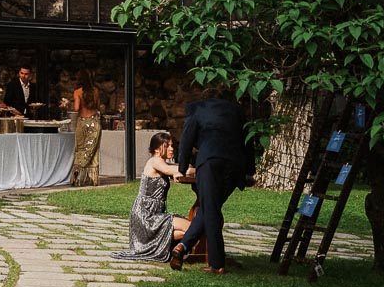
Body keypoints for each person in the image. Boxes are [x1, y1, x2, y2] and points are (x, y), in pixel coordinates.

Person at [169, 88, 254, 273]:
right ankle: (183, 247)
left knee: (210, 208)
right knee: (210, 208)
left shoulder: (197, 109)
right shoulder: (237, 111)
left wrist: (182, 168)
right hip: (235, 164)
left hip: (209, 161)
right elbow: (248, 139)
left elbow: (186, 139)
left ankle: (216, 264)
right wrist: (249, 171)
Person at [113, 133, 191, 261]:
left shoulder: (162, 163)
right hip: (146, 215)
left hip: (155, 214)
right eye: (167, 146)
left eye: (172, 146)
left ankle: (159, 244)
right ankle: (155, 244)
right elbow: (170, 169)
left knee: (191, 229)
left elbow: (178, 169)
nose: (172, 149)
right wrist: (180, 171)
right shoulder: (155, 161)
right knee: (190, 228)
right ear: (156, 149)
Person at [69, 76, 104, 186]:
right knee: (92, 150)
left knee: (80, 148)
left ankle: (77, 171)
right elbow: (98, 107)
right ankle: (93, 178)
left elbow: (76, 108)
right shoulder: (96, 91)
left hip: (82, 122)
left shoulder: (77, 92)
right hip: (94, 122)